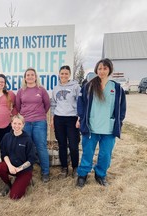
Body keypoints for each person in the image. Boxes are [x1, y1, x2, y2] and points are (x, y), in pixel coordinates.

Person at [76, 58, 126, 187]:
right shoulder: (88, 86)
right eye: (99, 68)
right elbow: (80, 104)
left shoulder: (116, 88)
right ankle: (82, 175)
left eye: (105, 68)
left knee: (105, 155)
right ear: (96, 70)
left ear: (109, 69)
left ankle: (100, 174)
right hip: (91, 127)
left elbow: (122, 107)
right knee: (87, 153)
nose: (102, 71)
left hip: (108, 128)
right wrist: (81, 119)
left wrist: (119, 121)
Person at [16, 68, 51, 183]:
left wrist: (39, 115)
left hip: (39, 122)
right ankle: (26, 172)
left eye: (32, 75)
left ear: (35, 77)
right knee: (25, 147)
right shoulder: (21, 91)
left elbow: (47, 105)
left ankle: (45, 172)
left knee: (41, 147)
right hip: (25, 123)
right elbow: (18, 106)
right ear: (25, 78)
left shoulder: (41, 90)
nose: (30, 77)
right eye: (28, 75)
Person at [0, 114, 36, 200]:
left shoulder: (27, 139)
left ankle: (26, 180)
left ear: (23, 125)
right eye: (15, 123)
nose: (16, 126)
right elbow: (4, 153)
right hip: (11, 166)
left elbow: (31, 159)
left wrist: (19, 169)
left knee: (14, 196)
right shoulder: (7, 137)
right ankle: (8, 183)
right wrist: (10, 166)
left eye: (19, 124)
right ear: (11, 124)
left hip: (24, 170)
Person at [50, 65, 81, 178]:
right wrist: (52, 119)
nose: (64, 75)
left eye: (66, 73)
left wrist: (79, 118)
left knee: (73, 145)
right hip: (59, 119)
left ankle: (75, 167)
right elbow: (53, 104)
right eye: (62, 73)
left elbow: (80, 103)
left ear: (69, 75)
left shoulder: (76, 87)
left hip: (72, 119)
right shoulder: (56, 88)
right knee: (62, 144)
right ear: (59, 74)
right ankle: (64, 168)